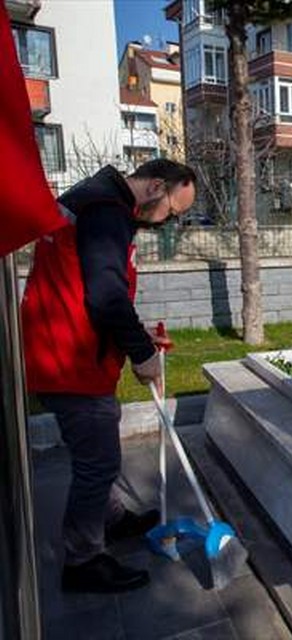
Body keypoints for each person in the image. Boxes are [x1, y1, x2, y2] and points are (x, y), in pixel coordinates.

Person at [20, 159, 197, 593]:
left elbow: (94, 287)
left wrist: (135, 338)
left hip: (67, 353)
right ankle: (83, 559)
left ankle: (112, 520)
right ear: (157, 186)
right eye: (173, 211)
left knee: (98, 450)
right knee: (98, 463)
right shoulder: (106, 211)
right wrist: (142, 354)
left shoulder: (99, 200)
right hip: (69, 359)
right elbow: (105, 294)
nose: (169, 222)